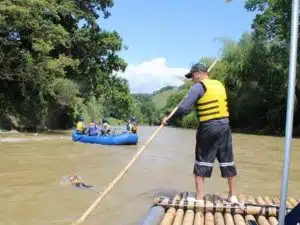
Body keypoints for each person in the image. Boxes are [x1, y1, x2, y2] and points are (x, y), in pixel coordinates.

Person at [161, 63, 238, 203]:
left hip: (209, 127)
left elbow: (184, 108)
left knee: (202, 160)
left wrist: (169, 117)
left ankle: (200, 198)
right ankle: (233, 196)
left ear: (199, 73)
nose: (192, 79)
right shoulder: (219, 84)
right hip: (225, 126)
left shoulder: (198, 87)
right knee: (227, 160)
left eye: (192, 76)